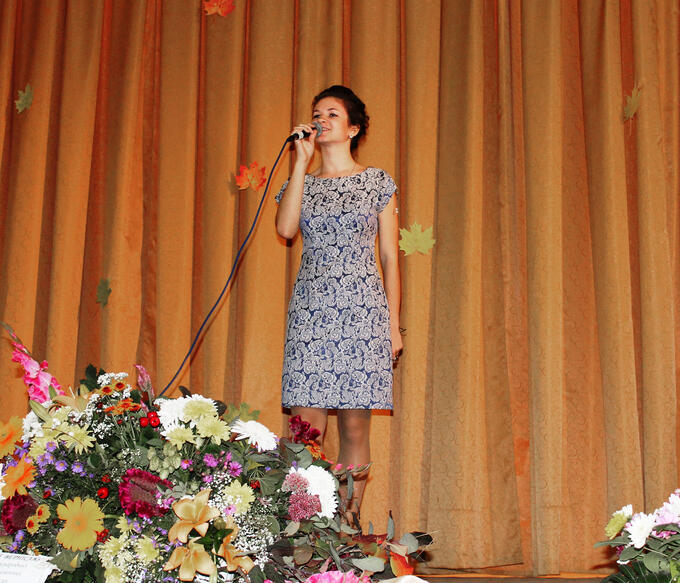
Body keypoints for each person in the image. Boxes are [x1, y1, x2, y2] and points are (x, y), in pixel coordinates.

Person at [275, 85, 402, 525]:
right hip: (311, 313)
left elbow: (390, 257)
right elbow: (286, 229)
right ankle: (306, 524)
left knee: (354, 426)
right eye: (317, 113)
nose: (321, 120)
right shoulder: (303, 183)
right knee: (305, 430)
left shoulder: (377, 182)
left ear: (353, 128)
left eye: (332, 113)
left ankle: (348, 522)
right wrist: (300, 162)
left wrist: (393, 325)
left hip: (363, 312)